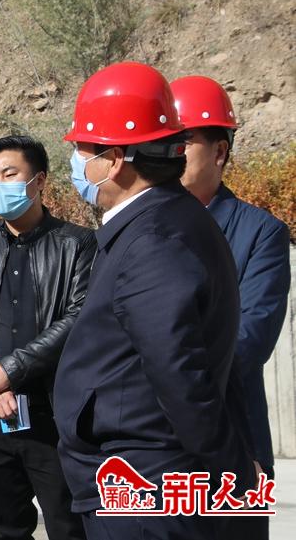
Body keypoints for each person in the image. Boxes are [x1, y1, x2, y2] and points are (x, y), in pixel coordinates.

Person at [53, 62, 256, 539]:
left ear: (115, 159)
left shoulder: (155, 239)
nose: (77, 162)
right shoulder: (154, 222)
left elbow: (178, 370)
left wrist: (230, 469)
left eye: (83, 149)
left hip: (147, 487)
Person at [0, 135, 91, 540]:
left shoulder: (77, 244)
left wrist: (9, 371)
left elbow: (78, 318)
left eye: (9, 174)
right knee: (3, 526)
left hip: (52, 414)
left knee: (70, 525)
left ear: (38, 180)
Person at [174, 75, 290, 538]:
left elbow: (249, 340)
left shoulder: (260, 233)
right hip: (150, 444)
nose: (169, 153)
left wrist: (165, 375)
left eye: (183, 141)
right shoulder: (140, 227)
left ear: (219, 151)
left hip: (231, 442)